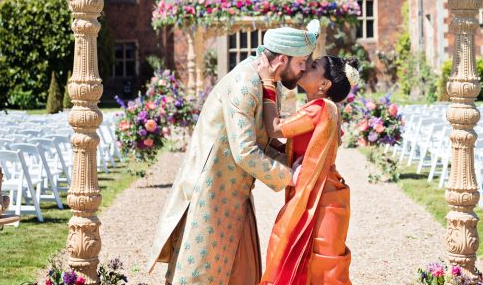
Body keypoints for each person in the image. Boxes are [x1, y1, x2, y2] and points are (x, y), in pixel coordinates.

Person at [148, 20, 322, 285]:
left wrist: (301, 160)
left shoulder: (265, 80)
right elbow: (246, 152)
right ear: (282, 59)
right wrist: (292, 176)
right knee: (202, 276)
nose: (302, 71)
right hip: (211, 193)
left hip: (234, 194)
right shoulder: (245, 83)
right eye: (300, 63)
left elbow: (262, 142)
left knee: (244, 275)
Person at [254, 53, 360, 285]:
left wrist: (267, 82)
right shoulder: (325, 108)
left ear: (324, 84)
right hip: (327, 194)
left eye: (313, 66)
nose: (304, 68)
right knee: (318, 267)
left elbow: (276, 128)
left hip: (321, 199)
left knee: (321, 268)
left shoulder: (319, 108)